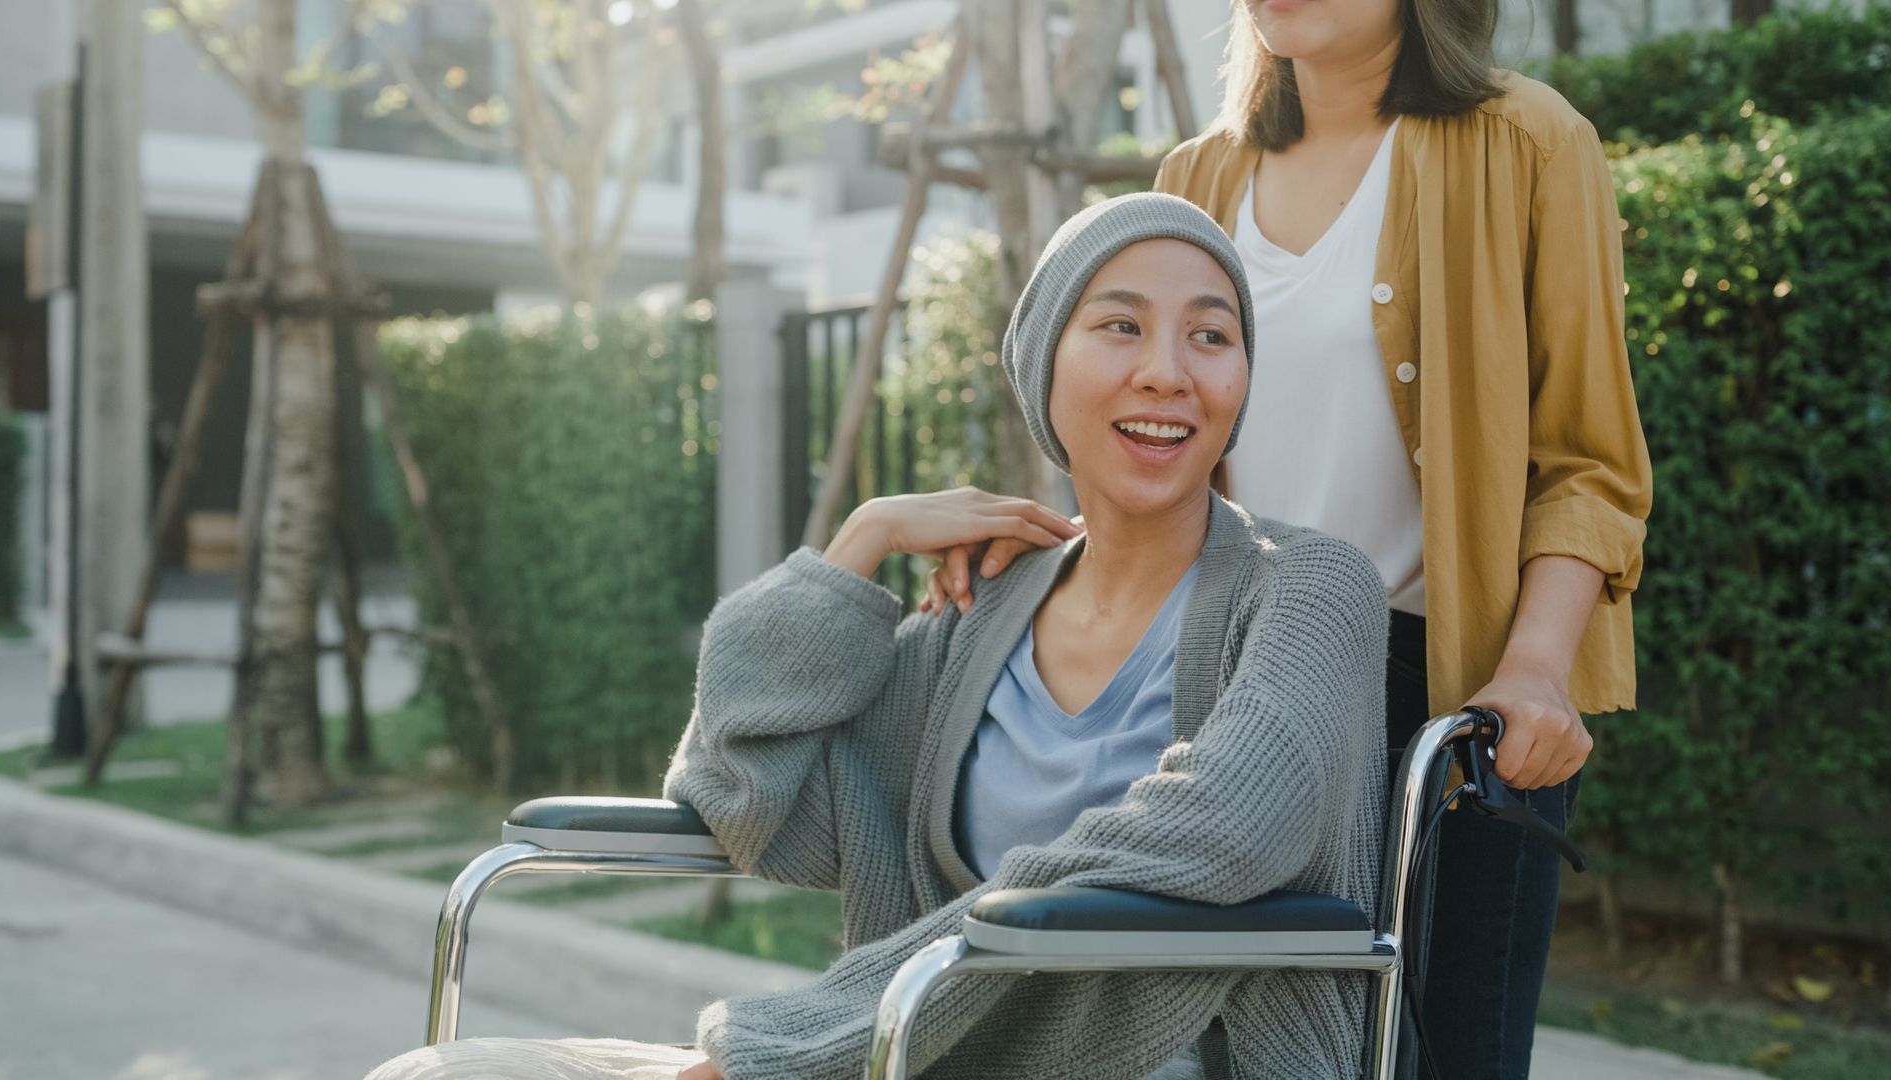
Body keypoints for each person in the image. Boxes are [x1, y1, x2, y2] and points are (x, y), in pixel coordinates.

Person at [366, 193, 1390, 1080]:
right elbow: (742, 798)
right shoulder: (984, 618)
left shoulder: (1311, 589)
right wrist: (861, 545)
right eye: (1120, 327)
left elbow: (1224, 829)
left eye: (1211, 336)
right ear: (1043, 369)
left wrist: (804, 1044)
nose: (1169, 371)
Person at [924, 2, 1654, 1075]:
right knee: (1225, 1041)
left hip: (1455, 700)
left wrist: (1536, 669)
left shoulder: (1527, 141)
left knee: (1446, 1054)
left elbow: (1588, 461)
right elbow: (1169, 441)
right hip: (1235, 678)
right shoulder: (1196, 179)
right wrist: (1052, 555)